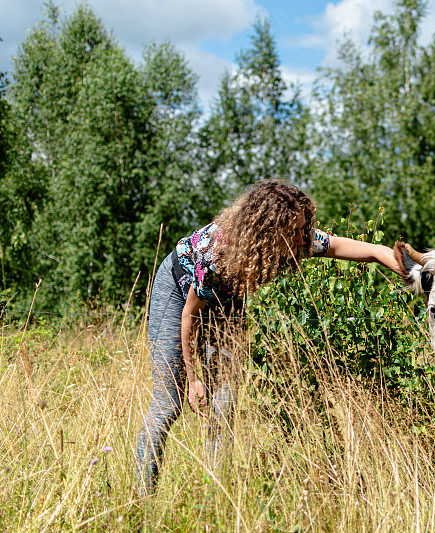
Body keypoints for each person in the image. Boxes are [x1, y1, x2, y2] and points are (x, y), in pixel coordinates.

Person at [135, 180, 402, 494]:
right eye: (299, 229)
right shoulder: (220, 253)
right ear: (272, 230)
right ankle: (143, 496)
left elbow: (366, 250)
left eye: (307, 227)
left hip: (226, 300)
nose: (306, 235)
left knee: (225, 402)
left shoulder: (296, 240)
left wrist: (414, 267)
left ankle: (215, 495)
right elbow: (190, 316)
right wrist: (193, 377)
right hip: (180, 294)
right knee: (170, 402)